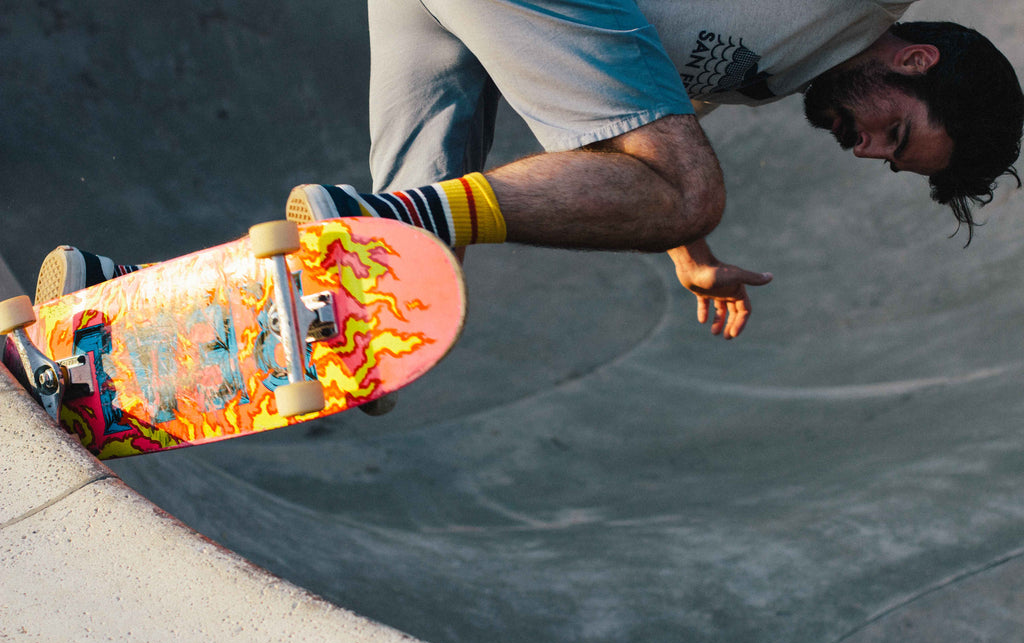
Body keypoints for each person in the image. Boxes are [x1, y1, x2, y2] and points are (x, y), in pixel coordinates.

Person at [37, 5, 1023, 342]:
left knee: (372, 299)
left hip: (462, 12)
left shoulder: (778, 71)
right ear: (914, 61)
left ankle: (114, 311)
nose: (860, 149)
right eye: (893, 136)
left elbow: (639, 129)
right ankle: (405, 224)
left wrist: (690, 253)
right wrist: (688, 210)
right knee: (690, 179)